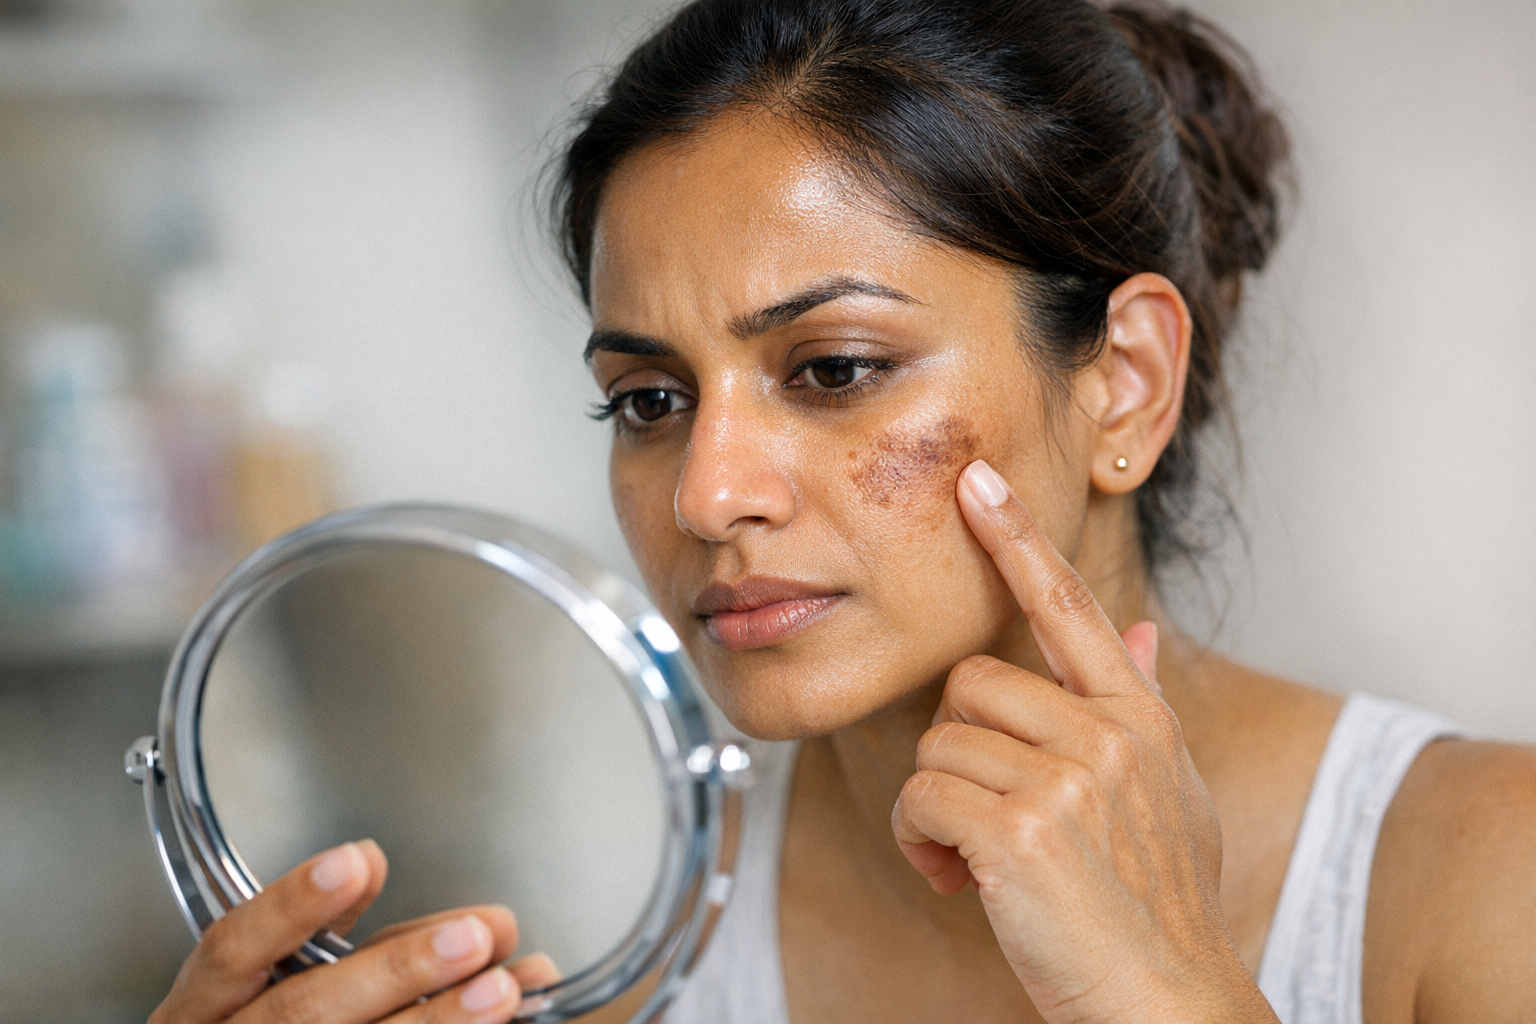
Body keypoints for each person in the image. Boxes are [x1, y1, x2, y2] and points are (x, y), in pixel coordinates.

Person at [149, 1, 1536, 1022]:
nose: (706, 492)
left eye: (835, 369)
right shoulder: (600, 940)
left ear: (1122, 386)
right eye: (648, 399)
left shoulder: (1478, 884)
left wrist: (1171, 995)